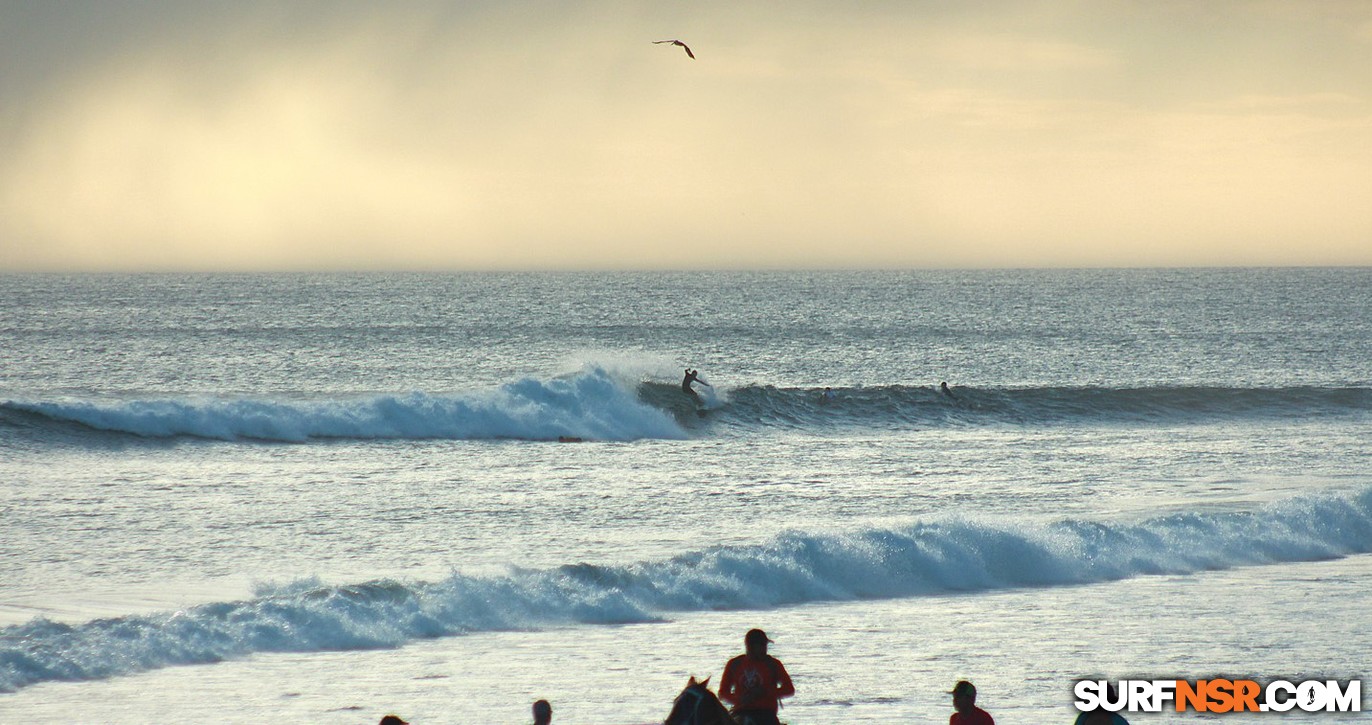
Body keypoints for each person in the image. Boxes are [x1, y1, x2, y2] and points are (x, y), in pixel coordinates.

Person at [719, 628, 795, 725]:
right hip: (740, 712)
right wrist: (739, 699)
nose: (765, 649)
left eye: (765, 645)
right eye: (762, 645)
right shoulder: (734, 664)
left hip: (766, 714)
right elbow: (722, 693)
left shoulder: (773, 664)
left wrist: (765, 692)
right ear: (750, 646)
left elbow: (789, 689)